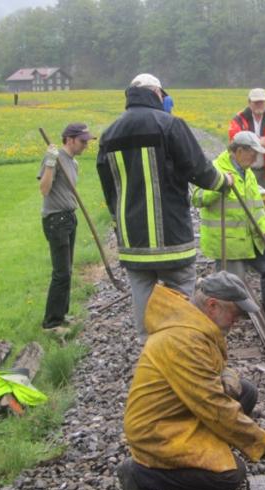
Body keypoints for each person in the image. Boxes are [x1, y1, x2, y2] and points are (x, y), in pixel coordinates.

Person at [118, 271, 265, 490]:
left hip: (180, 410)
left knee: (246, 391)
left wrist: (226, 374)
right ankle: (139, 474)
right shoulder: (183, 340)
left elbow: (212, 367)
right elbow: (215, 406)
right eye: (236, 313)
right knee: (232, 476)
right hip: (156, 431)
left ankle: (208, 446)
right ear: (213, 305)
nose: (238, 320)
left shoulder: (193, 320)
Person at [97, 73, 232, 336]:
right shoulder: (170, 125)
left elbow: (108, 189)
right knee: (180, 299)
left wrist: (119, 221)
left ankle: (151, 354)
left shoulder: (108, 134)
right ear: (158, 93)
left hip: (133, 240)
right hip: (172, 238)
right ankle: (179, 349)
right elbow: (200, 169)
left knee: (143, 299)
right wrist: (223, 182)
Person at [191, 131, 265, 318]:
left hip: (251, 237)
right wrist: (220, 186)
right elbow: (196, 198)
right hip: (228, 242)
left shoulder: (247, 173)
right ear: (239, 151)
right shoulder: (215, 168)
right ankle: (230, 314)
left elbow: (258, 208)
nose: (256, 158)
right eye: (253, 153)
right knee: (233, 285)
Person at [38, 123, 95, 331]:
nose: (86, 145)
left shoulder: (73, 163)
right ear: (70, 139)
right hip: (56, 220)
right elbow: (44, 190)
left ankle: (61, 315)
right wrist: (51, 163)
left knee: (67, 270)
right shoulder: (53, 158)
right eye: (83, 141)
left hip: (69, 218)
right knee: (61, 272)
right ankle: (51, 323)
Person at [228, 88, 265, 192]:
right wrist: (263, 141)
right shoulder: (239, 118)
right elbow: (235, 140)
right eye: (256, 102)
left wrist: (252, 141)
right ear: (249, 102)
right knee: (244, 199)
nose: (259, 105)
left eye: (262, 102)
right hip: (243, 168)